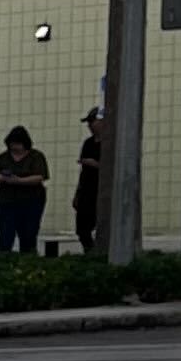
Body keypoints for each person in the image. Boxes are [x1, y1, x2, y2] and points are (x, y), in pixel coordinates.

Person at [0, 125, 50, 254]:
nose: (14, 147)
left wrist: (19, 181)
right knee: (5, 235)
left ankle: (28, 259)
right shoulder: (3, 158)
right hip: (7, 201)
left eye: (18, 144)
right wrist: (2, 178)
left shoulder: (36, 156)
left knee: (28, 235)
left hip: (31, 201)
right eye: (12, 144)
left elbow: (40, 177)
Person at [72, 107, 106, 255]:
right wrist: (78, 193)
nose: (90, 126)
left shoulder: (111, 143)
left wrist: (96, 165)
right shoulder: (88, 143)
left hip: (103, 190)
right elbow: (83, 171)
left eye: (93, 122)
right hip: (87, 188)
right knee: (82, 228)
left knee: (103, 225)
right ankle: (90, 252)